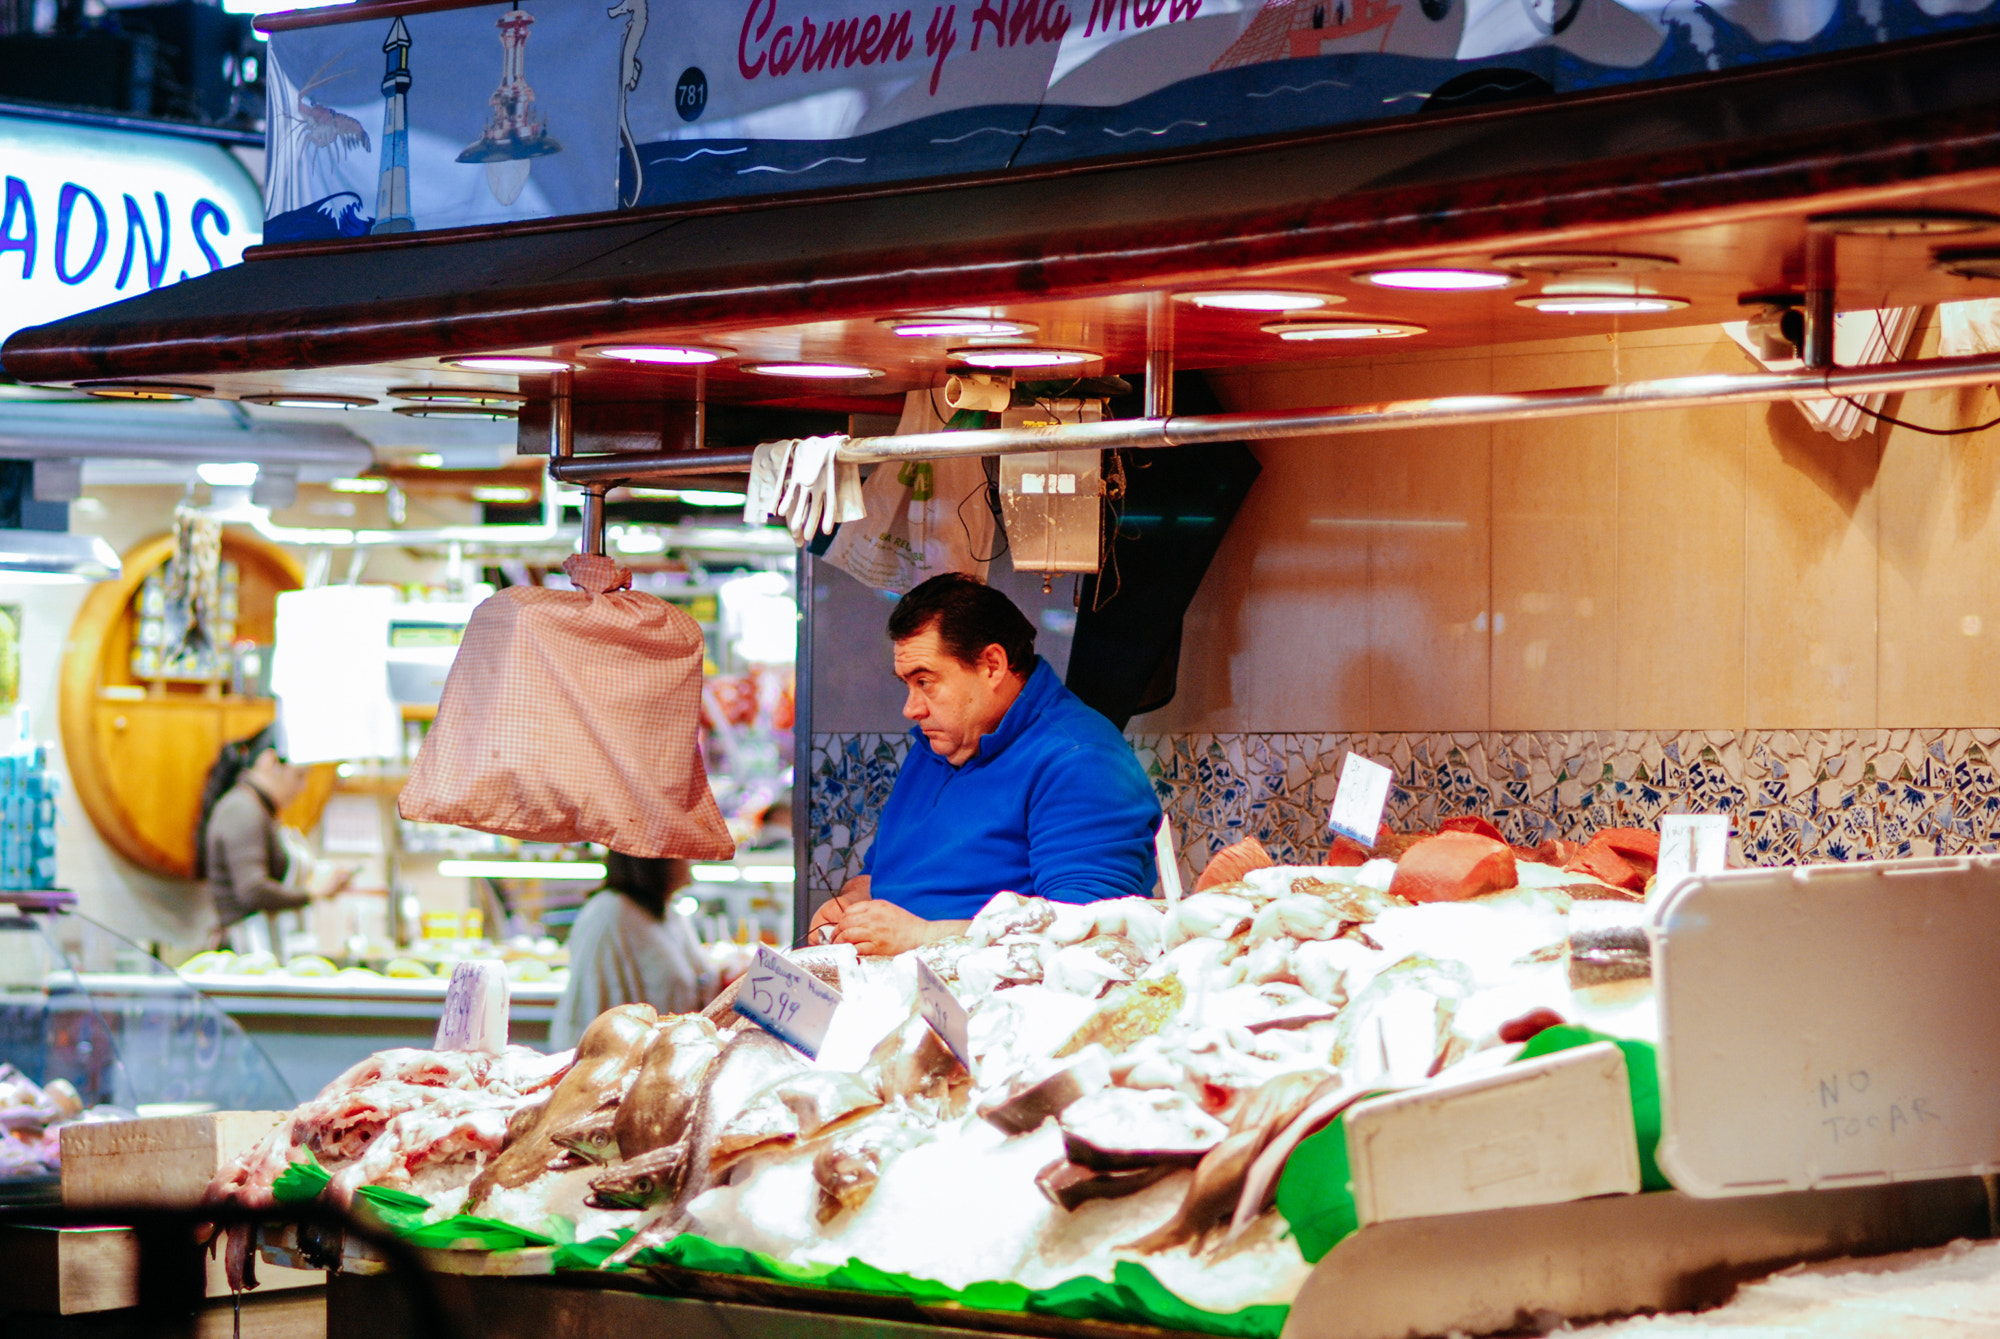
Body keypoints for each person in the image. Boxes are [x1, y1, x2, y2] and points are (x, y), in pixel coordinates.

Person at [809, 573, 1162, 957]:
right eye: (906, 685)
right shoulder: (941, 744)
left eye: (925, 681)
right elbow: (883, 874)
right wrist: (852, 904)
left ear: (992, 665)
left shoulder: (1081, 760)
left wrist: (923, 936)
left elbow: (1091, 937)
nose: (911, 708)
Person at [550, 851, 717, 1048]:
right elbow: (591, 1009)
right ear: (655, 859)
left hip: (662, 1056)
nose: (692, 858)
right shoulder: (610, 914)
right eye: (682, 851)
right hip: (619, 1065)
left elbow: (698, 974)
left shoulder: (665, 910)